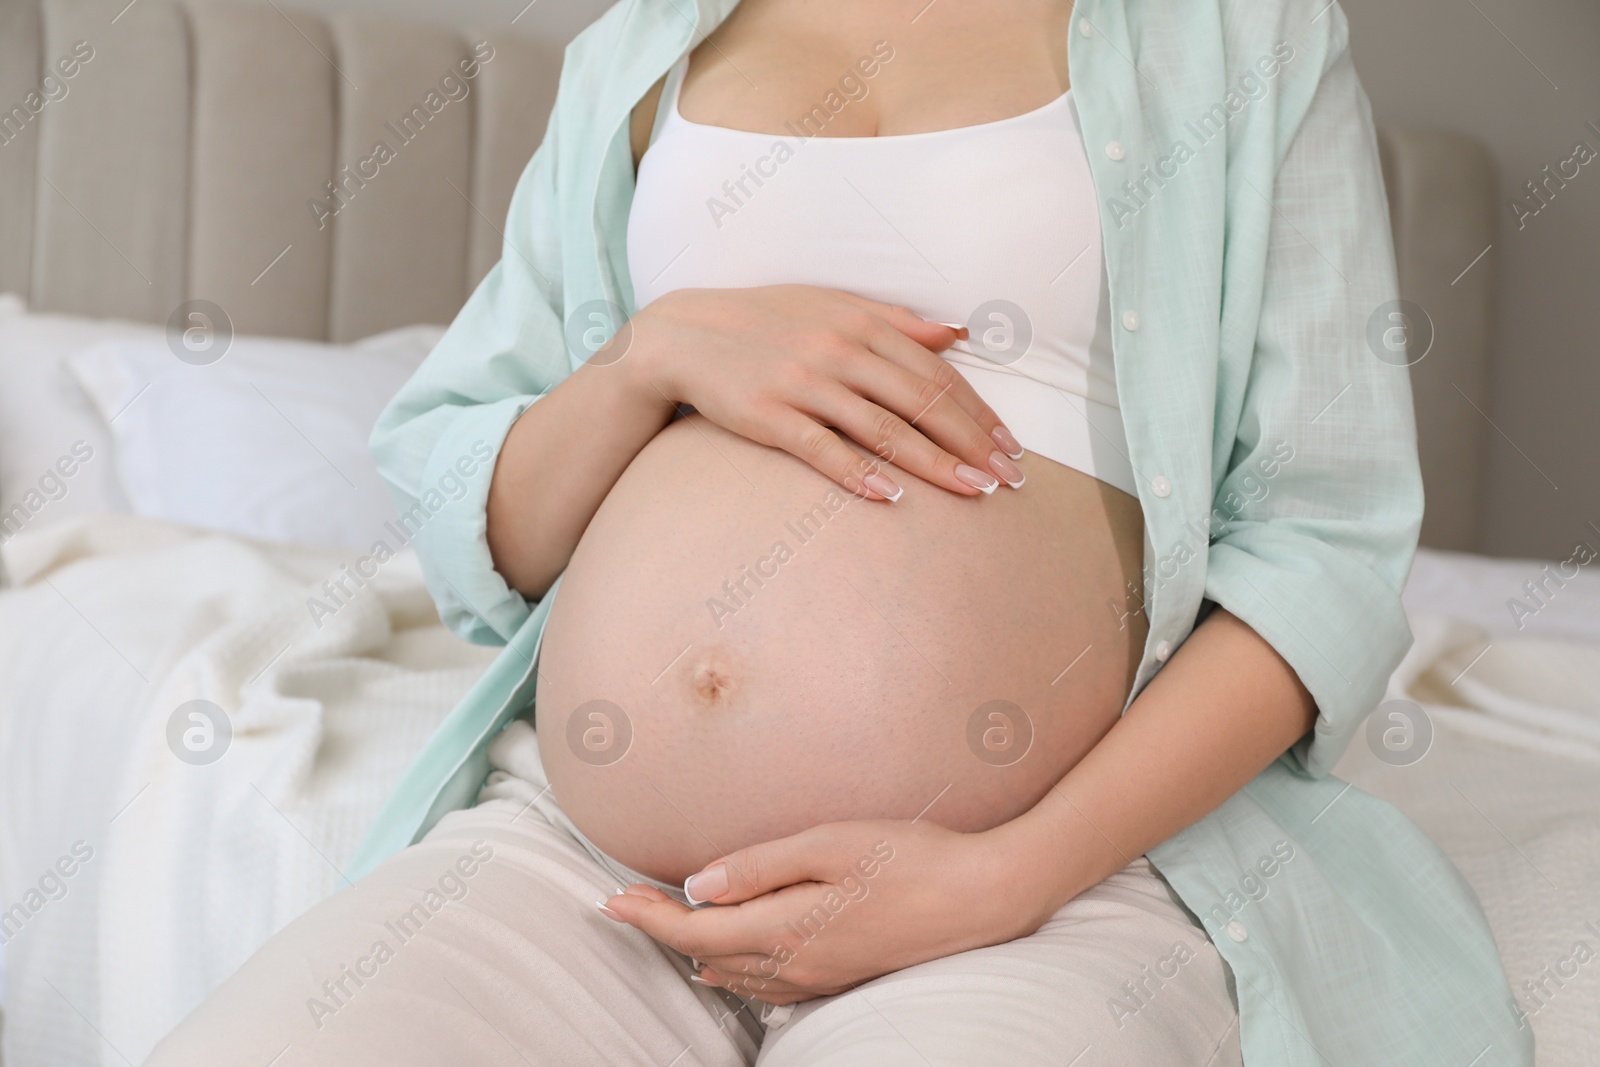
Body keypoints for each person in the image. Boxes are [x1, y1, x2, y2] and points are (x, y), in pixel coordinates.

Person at [149, 0, 1529, 1063]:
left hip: (1038, 877)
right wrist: (649, 358)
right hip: (587, 864)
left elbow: (1323, 543)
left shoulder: (1231, 36)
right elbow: (477, 521)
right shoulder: (645, 46)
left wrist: (1000, 877)